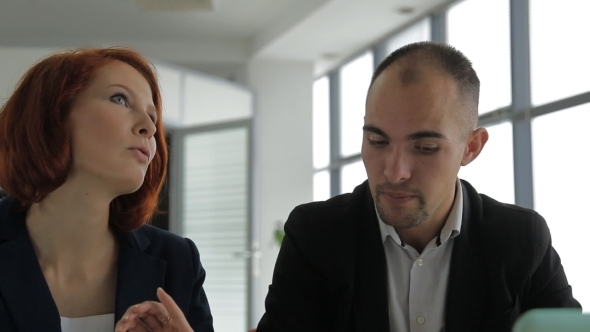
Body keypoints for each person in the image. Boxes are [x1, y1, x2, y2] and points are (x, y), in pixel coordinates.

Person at [256, 41, 581, 332]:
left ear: (471, 148)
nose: (394, 172)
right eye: (377, 140)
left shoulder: (520, 239)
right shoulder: (316, 236)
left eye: (425, 148)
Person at [0, 47, 213, 331]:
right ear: (51, 116)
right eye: (120, 99)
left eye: (152, 115)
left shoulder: (178, 260)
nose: (149, 127)